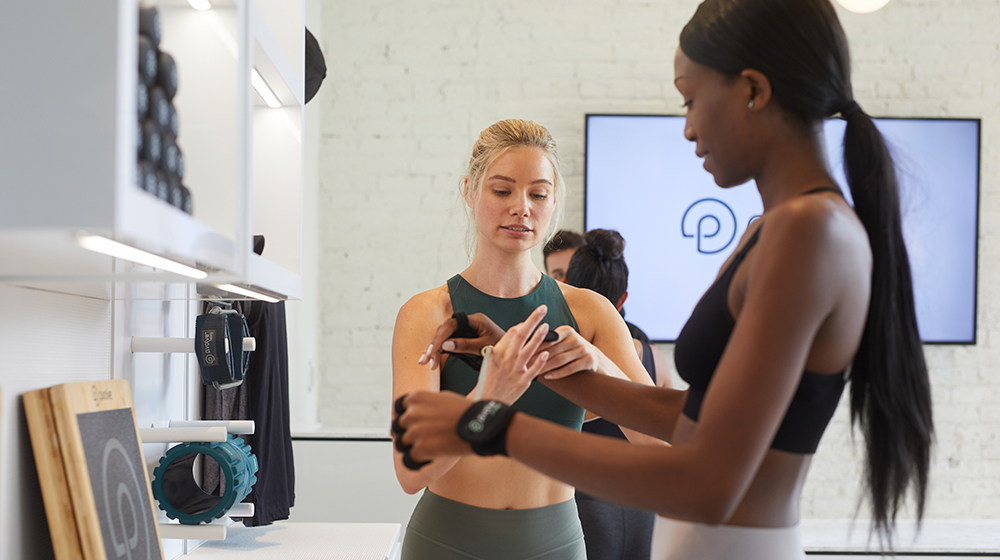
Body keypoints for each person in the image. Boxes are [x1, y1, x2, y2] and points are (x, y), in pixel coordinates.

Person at [392, 1, 934, 558]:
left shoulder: (809, 232)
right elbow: (695, 422)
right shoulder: (777, 230)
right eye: (502, 190)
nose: (688, 127)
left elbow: (706, 481)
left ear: (753, 90)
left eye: (690, 99)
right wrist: (540, 367)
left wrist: (495, 425)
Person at [390, 119, 656, 560]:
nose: (521, 208)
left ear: (554, 202)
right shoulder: (427, 313)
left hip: (555, 545)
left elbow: (660, 446)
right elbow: (410, 471)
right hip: (445, 543)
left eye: (538, 194)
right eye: (502, 191)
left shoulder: (591, 313)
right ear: (469, 191)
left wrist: (597, 364)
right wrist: (489, 395)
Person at [562, 228, 666, 560]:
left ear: (567, 289)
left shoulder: (560, 365)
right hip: (647, 508)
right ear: (623, 299)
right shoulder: (654, 358)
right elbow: (668, 435)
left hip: (586, 508)